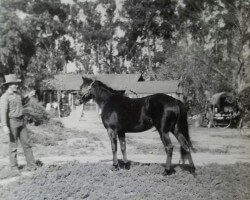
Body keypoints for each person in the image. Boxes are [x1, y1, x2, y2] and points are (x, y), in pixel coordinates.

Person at [0, 74, 37, 172]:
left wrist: (29, 96)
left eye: (17, 84)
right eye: (15, 84)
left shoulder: (18, 94)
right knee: (13, 146)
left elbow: (23, 102)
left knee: (27, 144)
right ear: (9, 85)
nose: (17, 86)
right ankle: (14, 168)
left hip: (22, 121)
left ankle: (32, 166)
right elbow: (2, 112)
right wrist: (4, 125)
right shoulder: (5, 97)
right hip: (12, 122)